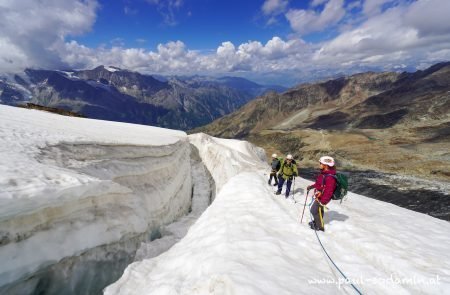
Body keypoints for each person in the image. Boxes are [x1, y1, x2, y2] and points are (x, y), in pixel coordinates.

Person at [307, 156, 337, 232]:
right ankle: (317, 222)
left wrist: (323, 201)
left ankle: (319, 227)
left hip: (322, 198)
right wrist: (311, 187)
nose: (319, 164)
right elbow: (318, 184)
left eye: (321, 163)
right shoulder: (324, 174)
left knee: (313, 210)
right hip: (320, 196)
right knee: (319, 210)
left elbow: (329, 191)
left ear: (325, 165)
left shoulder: (330, 177)